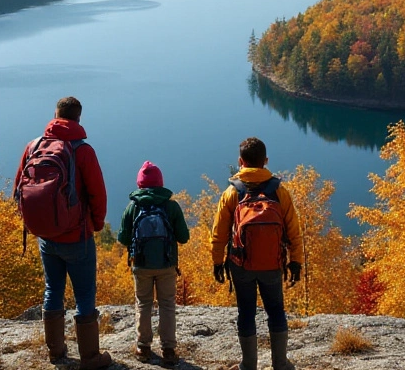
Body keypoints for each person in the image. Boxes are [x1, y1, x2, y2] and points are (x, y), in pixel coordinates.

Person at [14, 97, 112, 370]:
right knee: (84, 296)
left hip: (45, 236)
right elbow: (97, 193)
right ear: (78, 118)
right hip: (76, 236)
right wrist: (97, 224)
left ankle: (55, 352)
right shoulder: (82, 151)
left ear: (55, 115)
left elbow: (18, 189)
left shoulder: (33, 146)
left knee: (52, 289)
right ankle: (91, 358)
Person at [209, 137, 303, 370]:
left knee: (246, 312)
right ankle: (280, 363)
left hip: (241, 265)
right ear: (266, 161)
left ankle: (248, 365)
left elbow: (219, 234)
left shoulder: (233, 193)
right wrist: (296, 262)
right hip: (272, 263)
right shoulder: (279, 192)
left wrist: (217, 262)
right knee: (276, 311)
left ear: (241, 162)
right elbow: (294, 231)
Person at [117, 161, 190, 366]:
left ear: (140, 184)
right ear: (160, 183)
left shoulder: (133, 206)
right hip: (167, 264)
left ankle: (143, 347)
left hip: (141, 265)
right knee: (167, 304)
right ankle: (168, 348)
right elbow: (183, 237)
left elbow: (122, 238)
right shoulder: (171, 206)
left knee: (143, 303)